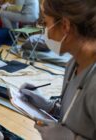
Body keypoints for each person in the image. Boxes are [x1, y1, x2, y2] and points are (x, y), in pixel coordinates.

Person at [19, 0, 96, 139]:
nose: (45, 33)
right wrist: (50, 107)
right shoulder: (73, 64)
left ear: (65, 26)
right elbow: (75, 115)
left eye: (46, 23)